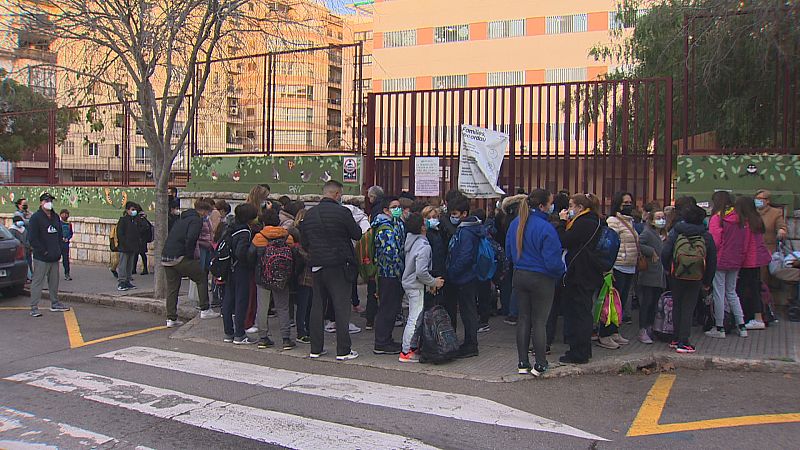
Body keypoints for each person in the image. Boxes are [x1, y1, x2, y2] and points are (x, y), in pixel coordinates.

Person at [300, 180, 363, 361]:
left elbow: (304, 242)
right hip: (339, 265)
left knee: (317, 306)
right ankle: (343, 350)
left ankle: (315, 348)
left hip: (317, 264)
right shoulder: (342, 212)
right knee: (341, 307)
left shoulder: (309, 214)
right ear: (337, 194)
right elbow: (356, 234)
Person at [506, 189, 565, 377]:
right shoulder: (546, 228)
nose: (551, 206)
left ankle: (522, 363)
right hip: (541, 278)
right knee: (539, 321)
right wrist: (561, 272)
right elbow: (553, 261)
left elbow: (508, 252)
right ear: (542, 206)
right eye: (550, 203)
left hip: (520, 274)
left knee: (523, 319)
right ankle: (540, 364)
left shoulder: (516, 223)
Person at [661, 204, 717, 353]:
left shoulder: (676, 232)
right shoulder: (706, 235)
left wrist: (667, 268)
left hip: (676, 274)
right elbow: (712, 260)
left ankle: (675, 338)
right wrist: (707, 281)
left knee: (677, 305)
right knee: (688, 307)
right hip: (696, 276)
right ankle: (684, 341)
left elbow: (665, 251)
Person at [557, 193, 604, 364]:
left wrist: (562, 223)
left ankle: (579, 352)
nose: (568, 209)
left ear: (580, 208)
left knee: (578, 313)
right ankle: (583, 349)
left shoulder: (583, 223)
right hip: (589, 272)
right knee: (583, 310)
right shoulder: (595, 221)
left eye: (571, 205)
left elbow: (564, 240)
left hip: (580, 273)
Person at [162, 200, 220, 328]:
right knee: (201, 276)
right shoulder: (196, 221)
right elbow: (191, 238)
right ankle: (205, 309)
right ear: (204, 211)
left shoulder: (182, 219)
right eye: (208, 213)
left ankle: (171, 318)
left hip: (166, 256)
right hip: (180, 255)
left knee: (172, 288)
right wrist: (190, 256)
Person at [400, 213, 445, 362]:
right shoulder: (423, 246)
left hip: (409, 283)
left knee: (412, 316)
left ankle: (409, 348)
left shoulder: (410, 241)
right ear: (422, 227)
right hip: (416, 285)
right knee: (415, 318)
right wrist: (433, 282)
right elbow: (421, 271)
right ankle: (407, 351)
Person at [250, 207, 296, 350]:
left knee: (262, 307)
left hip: (263, 276)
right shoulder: (287, 236)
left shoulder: (259, 237)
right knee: (283, 307)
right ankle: (286, 338)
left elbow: (250, 256)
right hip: (282, 278)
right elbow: (293, 255)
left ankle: (263, 337)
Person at [446, 196, 484, 358]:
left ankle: (471, 344)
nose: (452, 217)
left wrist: (452, 272)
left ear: (464, 213)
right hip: (465, 276)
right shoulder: (466, 228)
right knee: (468, 310)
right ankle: (469, 342)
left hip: (464, 277)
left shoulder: (467, 231)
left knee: (468, 311)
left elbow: (465, 256)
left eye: (455, 214)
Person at [707, 191, 748, 339]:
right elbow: (744, 242)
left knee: (719, 293)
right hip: (736, 260)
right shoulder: (740, 218)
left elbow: (714, 242)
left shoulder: (717, 218)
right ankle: (742, 325)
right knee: (732, 293)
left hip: (720, 260)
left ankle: (719, 327)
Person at [601, 191, 638, 349]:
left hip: (630, 265)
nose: (629, 205)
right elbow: (610, 244)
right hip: (617, 265)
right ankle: (605, 333)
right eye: (625, 203)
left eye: (630, 202)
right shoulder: (613, 221)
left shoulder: (630, 221)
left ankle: (615, 331)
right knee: (611, 302)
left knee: (620, 302)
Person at [371, 196, 406, 354]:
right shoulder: (385, 228)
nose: (398, 209)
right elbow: (391, 253)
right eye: (394, 207)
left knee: (392, 308)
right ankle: (381, 342)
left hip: (395, 273)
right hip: (388, 273)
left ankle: (386, 339)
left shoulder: (396, 223)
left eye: (399, 206)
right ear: (386, 210)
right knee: (387, 308)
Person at [28, 193, 70, 316]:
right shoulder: (36, 218)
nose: (49, 202)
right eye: (46, 200)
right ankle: (34, 307)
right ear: (41, 202)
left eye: (50, 200)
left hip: (54, 256)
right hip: (42, 257)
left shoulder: (55, 217)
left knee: (54, 282)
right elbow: (32, 238)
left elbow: (59, 234)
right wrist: (43, 251)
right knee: (38, 282)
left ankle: (55, 303)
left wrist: (59, 250)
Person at [222, 203, 258, 344]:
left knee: (228, 299)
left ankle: (228, 332)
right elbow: (241, 252)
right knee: (241, 300)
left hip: (228, 267)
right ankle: (240, 334)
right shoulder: (245, 231)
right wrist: (249, 259)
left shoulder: (230, 227)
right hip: (240, 269)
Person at [736, 196, 772, 330]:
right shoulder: (756, 220)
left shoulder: (745, 223)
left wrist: (738, 259)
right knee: (755, 287)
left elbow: (744, 245)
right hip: (757, 260)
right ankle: (758, 316)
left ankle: (753, 317)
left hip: (748, 261)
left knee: (746, 288)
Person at [636, 208, 667, 344]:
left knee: (654, 303)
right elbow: (639, 243)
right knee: (647, 303)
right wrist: (651, 251)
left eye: (663, 217)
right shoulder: (648, 233)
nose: (661, 220)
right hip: (649, 273)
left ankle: (650, 327)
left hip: (660, 274)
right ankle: (642, 329)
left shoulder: (665, 235)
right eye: (658, 217)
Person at [498, 194, 527, 325]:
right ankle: (514, 312)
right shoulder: (519, 219)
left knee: (511, 284)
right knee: (516, 287)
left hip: (512, 256)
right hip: (520, 257)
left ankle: (510, 310)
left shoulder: (506, 217)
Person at [421, 205, 447, 309]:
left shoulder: (439, 232)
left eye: (434, 217)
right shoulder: (425, 235)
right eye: (429, 217)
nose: (432, 220)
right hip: (431, 272)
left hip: (439, 270)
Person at [293, 208, 313, 345]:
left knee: (304, 304)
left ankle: (304, 330)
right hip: (306, 274)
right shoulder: (304, 235)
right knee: (305, 304)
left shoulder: (294, 232)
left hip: (303, 274)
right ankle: (302, 331)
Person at [115, 202, 142, 291]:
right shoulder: (123, 220)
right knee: (123, 264)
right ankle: (121, 282)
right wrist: (124, 243)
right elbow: (120, 234)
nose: (134, 212)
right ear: (127, 210)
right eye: (132, 210)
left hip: (132, 247)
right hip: (124, 247)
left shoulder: (135, 220)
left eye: (135, 210)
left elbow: (141, 230)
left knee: (129, 265)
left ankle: (127, 280)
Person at [754, 189, 788, 253]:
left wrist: (781, 230)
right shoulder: (751, 211)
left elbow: (781, 226)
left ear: (767, 201)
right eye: (756, 198)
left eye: (760, 198)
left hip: (768, 249)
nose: (757, 200)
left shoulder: (775, 213)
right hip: (753, 248)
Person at [10, 212, 32, 280]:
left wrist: (28, 245)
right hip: (20, 250)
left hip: (27, 249)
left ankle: (30, 275)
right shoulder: (12, 230)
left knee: (29, 263)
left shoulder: (24, 229)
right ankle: (27, 276)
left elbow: (28, 238)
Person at [133, 204, 153, 275]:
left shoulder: (141, 217)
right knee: (137, 253)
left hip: (141, 238)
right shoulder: (139, 216)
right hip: (140, 238)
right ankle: (134, 269)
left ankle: (144, 269)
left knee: (141, 253)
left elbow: (144, 227)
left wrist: (138, 232)